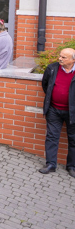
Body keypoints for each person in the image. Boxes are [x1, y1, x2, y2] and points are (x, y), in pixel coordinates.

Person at [39, 48, 75, 176]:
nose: (60, 59)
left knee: (73, 139)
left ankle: (71, 166)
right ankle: (51, 164)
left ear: (73, 60)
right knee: (52, 137)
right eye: (60, 56)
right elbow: (46, 85)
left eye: (64, 57)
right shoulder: (52, 68)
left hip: (72, 112)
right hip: (54, 109)